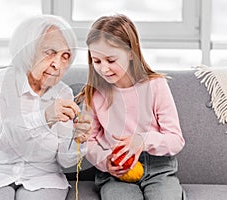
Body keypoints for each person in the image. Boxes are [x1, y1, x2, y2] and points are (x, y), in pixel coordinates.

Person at [0, 15, 92, 200]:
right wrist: (44, 117)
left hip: (42, 176)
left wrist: (79, 141)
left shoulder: (64, 94)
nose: (57, 64)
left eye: (65, 56)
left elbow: (64, 160)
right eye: (50, 52)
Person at [76, 14, 186, 199]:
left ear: (130, 52)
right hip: (115, 173)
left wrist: (143, 140)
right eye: (97, 61)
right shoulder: (94, 93)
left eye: (111, 60)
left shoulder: (155, 86)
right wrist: (105, 162)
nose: (104, 69)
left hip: (157, 168)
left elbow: (176, 140)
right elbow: (90, 142)